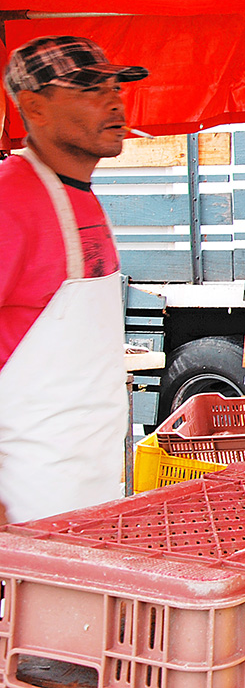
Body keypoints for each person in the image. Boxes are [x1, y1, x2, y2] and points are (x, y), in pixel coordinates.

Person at [0, 36, 149, 524]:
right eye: (88, 90)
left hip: (85, 492)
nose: (113, 101)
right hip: (23, 506)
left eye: (115, 87)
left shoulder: (82, 197)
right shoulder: (11, 200)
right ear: (35, 108)